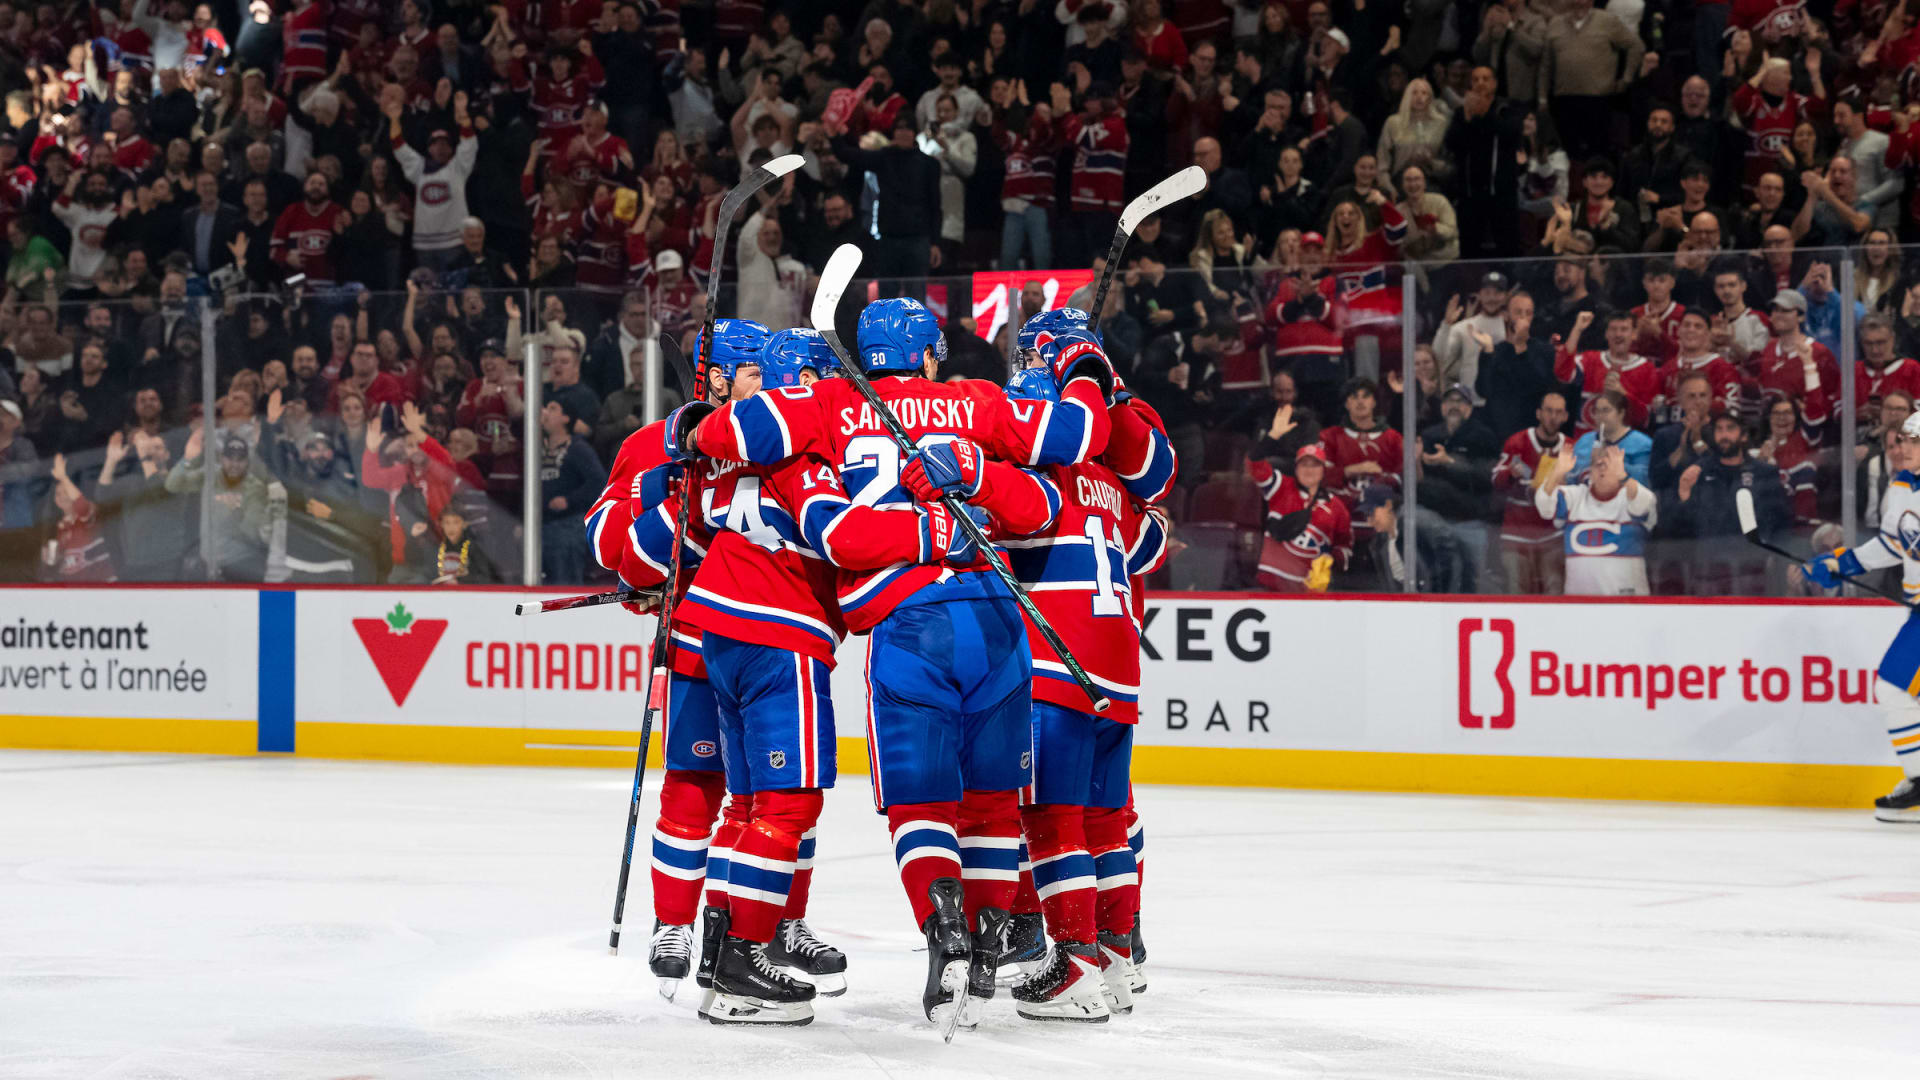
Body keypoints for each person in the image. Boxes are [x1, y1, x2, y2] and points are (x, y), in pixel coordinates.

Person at [680, 296, 1113, 1029]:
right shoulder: (976, 401)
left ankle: (944, 934)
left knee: (919, 806)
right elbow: (1069, 452)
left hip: (907, 625)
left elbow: (734, 433)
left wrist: (694, 424)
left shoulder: (827, 404)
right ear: (931, 356)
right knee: (991, 804)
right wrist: (1082, 367)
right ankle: (986, 948)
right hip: (996, 616)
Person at [642, 326, 973, 1026]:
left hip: (719, 629)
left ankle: (722, 949)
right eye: (829, 379)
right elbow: (837, 535)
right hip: (777, 630)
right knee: (787, 805)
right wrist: (936, 534)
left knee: (749, 805)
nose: (846, 395)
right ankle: (742, 964)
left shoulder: (739, 450)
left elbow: (678, 517)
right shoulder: (802, 455)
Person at [913, 362, 1170, 1021]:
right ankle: (1116, 960)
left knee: (1051, 821)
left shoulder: (1032, 479)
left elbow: (984, 527)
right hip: (1119, 670)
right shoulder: (1110, 481)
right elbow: (1152, 544)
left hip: (1058, 665)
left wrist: (966, 472)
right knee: (1106, 819)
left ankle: (1074, 966)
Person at [1805, 412, 1920, 822]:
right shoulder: (1903, 485)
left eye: (1913, 442)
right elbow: (1894, 544)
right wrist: (1842, 563)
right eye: (1902, 440)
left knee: (1894, 688)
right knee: (1898, 691)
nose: (1902, 448)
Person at [1535, 439, 1656, 596]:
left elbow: (1645, 504)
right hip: (1579, 601)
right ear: (1590, 472)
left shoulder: (1631, 496)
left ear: (1621, 468)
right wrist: (1557, 472)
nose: (1601, 467)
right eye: (1596, 464)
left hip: (1627, 602)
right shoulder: (1575, 496)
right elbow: (1544, 505)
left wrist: (1623, 477)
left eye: (1608, 463)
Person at [1247, 438, 1350, 592]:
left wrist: (1332, 560)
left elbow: (1345, 547)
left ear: (1323, 470)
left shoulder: (1337, 508)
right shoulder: (1281, 487)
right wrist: (1272, 436)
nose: (1309, 470)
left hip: (1307, 591)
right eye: (1304, 464)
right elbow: (1255, 466)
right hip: (1269, 584)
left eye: (1315, 465)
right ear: (1296, 469)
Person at [1493, 390, 1571, 594]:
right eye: (1548, 411)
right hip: (1516, 534)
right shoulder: (1516, 442)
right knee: (1516, 592)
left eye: (1558, 412)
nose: (1553, 417)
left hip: (1553, 535)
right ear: (1538, 413)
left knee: (1555, 591)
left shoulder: (1570, 447)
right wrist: (1510, 474)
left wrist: (1567, 483)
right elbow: (1495, 479)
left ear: (1565, 416)